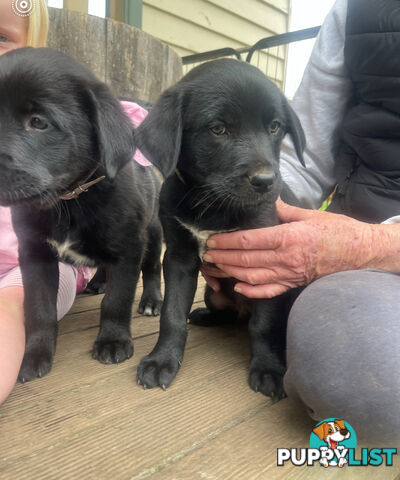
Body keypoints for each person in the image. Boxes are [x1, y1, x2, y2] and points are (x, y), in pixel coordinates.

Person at [202, 0, 400, 445]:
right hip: (361, 247)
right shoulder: (358, 11)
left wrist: (379, 244)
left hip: (372, 248)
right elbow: (304, 162)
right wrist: (242, 217)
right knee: (353, 371)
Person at [0, 0, 93, 405]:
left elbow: (126, 137)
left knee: (7, 309)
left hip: (48, 260)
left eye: (1, 37)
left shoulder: (63, 94)